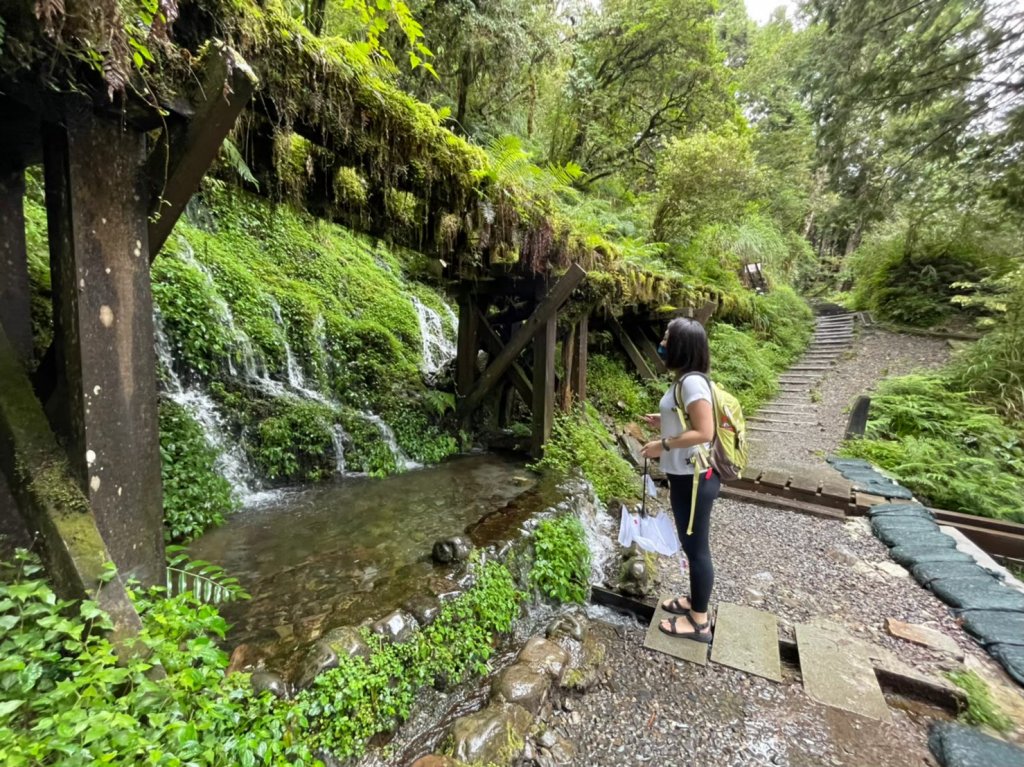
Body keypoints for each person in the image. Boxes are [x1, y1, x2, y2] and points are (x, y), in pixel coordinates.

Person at [639, 318, 720, 642]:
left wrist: (663, 445)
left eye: (668, 338)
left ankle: (699, 622)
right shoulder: (685, 381)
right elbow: (688, 418)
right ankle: (694, 602)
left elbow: (704, 431)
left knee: (697, 549)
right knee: (691, 545)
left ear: (681, 346)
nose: (662, 342)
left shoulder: (691, 384)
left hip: (696, 477)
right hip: (687, 475)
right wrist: (665, 419)